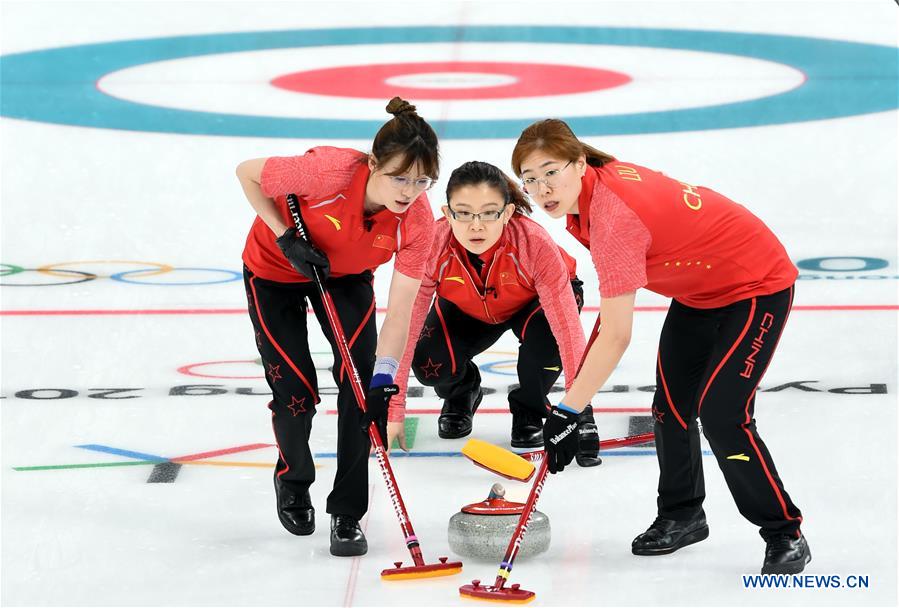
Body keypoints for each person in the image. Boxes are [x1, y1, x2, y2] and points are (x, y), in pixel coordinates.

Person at [511, 119, 809, 575]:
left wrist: (570, 411)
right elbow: (609, 324)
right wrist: (572, 404)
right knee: (670, 409)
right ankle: (683, 514)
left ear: (578, 162)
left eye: (551, 171)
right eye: (530, 180)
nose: (542, 188)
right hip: (699, 293)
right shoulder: (583, 199)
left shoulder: (611, 217)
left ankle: (784, 532)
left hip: (755, 284)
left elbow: (615, 334)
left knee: (723, 416)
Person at [235, 97, 437, 557]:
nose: (409, 191)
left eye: (422, 181)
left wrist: (387, 374)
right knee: (296, 392)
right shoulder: (326, 172)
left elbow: (401, 309)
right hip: (274, 272)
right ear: (372, 165)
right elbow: (247, 171)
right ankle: (293, 479)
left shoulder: (417, 222)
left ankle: (347, 513)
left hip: (344, 280)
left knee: (363, 390)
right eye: (399, 178)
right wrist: (284, 235)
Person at [389, 160, 601, 467]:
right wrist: (394, 408)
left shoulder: (534, 244)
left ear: (507, 213)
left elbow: (568, 331)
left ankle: (530, 408)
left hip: (534, 304)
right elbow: (405, 325)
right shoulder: (431, 244)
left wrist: (580, 413)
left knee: (548, 343)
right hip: (467, 306)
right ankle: (463, 390)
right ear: (447, 213)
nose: (476, 225)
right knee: (429, 363)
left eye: (489, 213)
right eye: (463, 213)